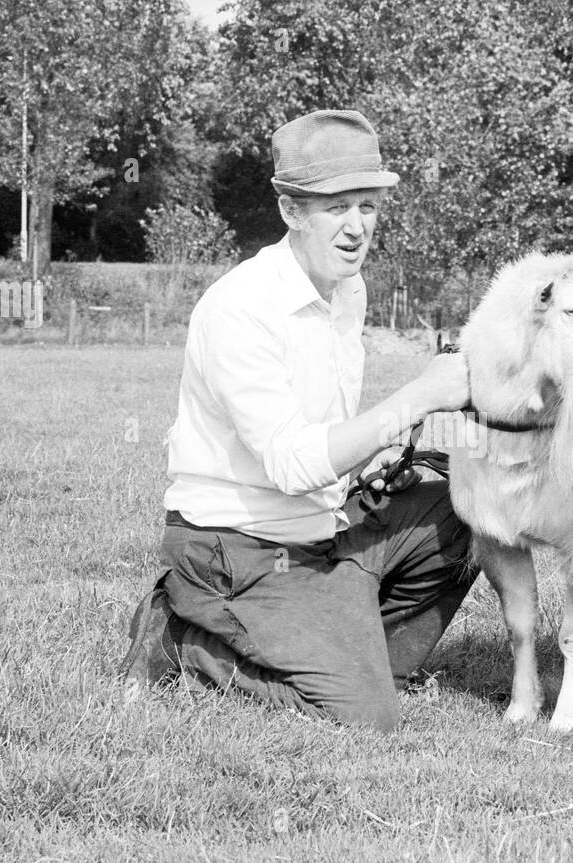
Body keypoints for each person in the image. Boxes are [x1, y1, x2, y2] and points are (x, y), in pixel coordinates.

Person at [120, 109, 477, 732]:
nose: (356, 227)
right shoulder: (240, 308)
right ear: (290, 211)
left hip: (321, 523)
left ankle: (356, 650)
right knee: (368, 719)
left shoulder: (348, 289)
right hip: (239, 543)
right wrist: (418, 398)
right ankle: (185, 640)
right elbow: (290, 463)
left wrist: (378, 456)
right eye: (335, 207)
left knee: (468, 506)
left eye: (367, 206)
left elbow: (323, 432)